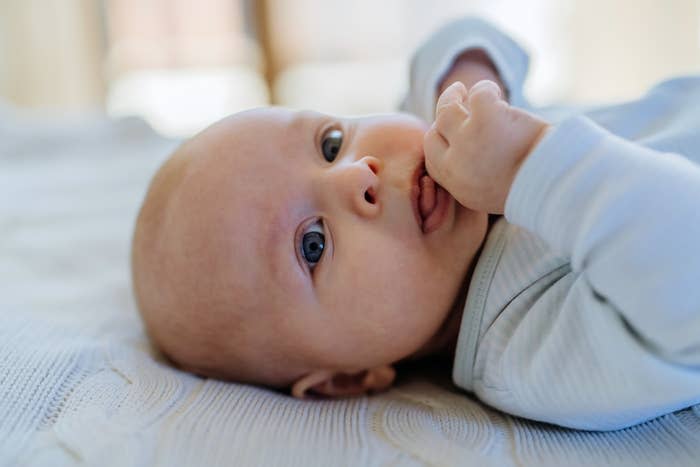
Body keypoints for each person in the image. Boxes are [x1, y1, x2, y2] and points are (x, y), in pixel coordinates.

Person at [131, 17, 700, 430]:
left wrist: (464, 92)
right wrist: (530, 166)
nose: (359, 175)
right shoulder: (529, 345)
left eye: (330, 144)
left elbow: (461, 35)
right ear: (348, 379)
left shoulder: (456, 166)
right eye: (312, 245)